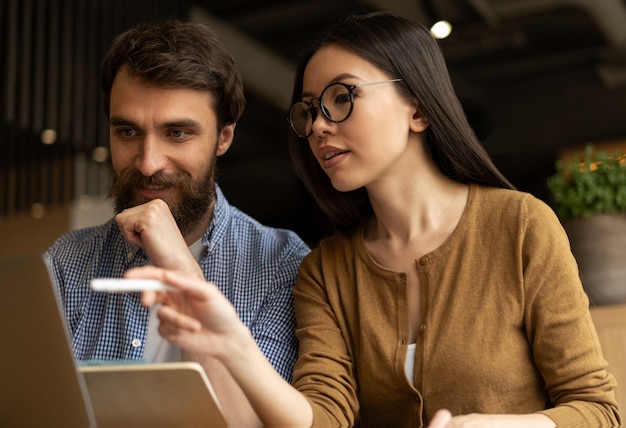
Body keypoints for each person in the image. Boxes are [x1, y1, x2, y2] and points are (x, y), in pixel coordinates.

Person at [129, 11, 621, 428]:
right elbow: (322, 418)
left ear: (419, 109)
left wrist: (504, 425)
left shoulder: (521, 226)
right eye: (309, 111)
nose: (319, 124)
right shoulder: (325, 270)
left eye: (342, 97)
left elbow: (598, 410)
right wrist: (233, 345)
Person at [44, 20, 310, 427]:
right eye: (127, 131)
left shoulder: (282, 265)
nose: (148, 162)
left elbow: (253, 424)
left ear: (223, 138)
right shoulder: (66, 262)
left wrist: (182, 268)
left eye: (177, 133)